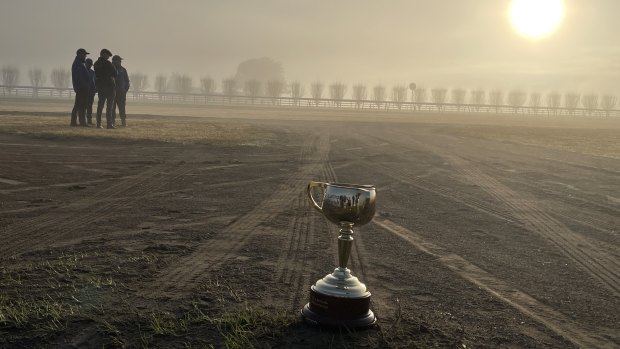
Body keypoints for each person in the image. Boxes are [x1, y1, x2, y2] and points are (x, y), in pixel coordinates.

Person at [94, 49, 117, 129]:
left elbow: (97, 75)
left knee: (100, 106)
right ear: (103, 54)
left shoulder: (96, 63)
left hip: (101, 87)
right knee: (109, 107)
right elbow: (115, 73)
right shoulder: (108, 63)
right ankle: (109, 124)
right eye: (107, 55)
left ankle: (98, 124)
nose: (108, 57)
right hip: (109, 87)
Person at [70, 48, 91, 127]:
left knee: (80, 105)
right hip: (81, 88)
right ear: (80, 54)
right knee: (79, 105)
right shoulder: (78, 64)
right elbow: (79, 77)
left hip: (81, 87)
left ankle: (78, 122)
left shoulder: (80, 63)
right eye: (84, 54)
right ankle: (79, 122)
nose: (85, 56)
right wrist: (84, 86)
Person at [111, 55, 130, 127]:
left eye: (120, 61)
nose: (120, 62)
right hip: (112, 92)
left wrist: (125, 89)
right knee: (112, 108)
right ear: (114, 61)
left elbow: (127, 81)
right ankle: (112, 122)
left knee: (122, 108)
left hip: (121, 93)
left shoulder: (123, 70)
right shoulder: (110, 69)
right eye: (119, 60)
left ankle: (123, 122)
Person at [85, 58, 97, 125]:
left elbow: (95, 82)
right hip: (84, 92)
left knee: (89, 107)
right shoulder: (83, 71)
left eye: (90, 64)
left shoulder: (93, 72)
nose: (89, 65)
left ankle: (89, 120)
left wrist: (95, 89)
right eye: (88, 64)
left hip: (91, 92)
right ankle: (83, 120)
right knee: (84, 107)